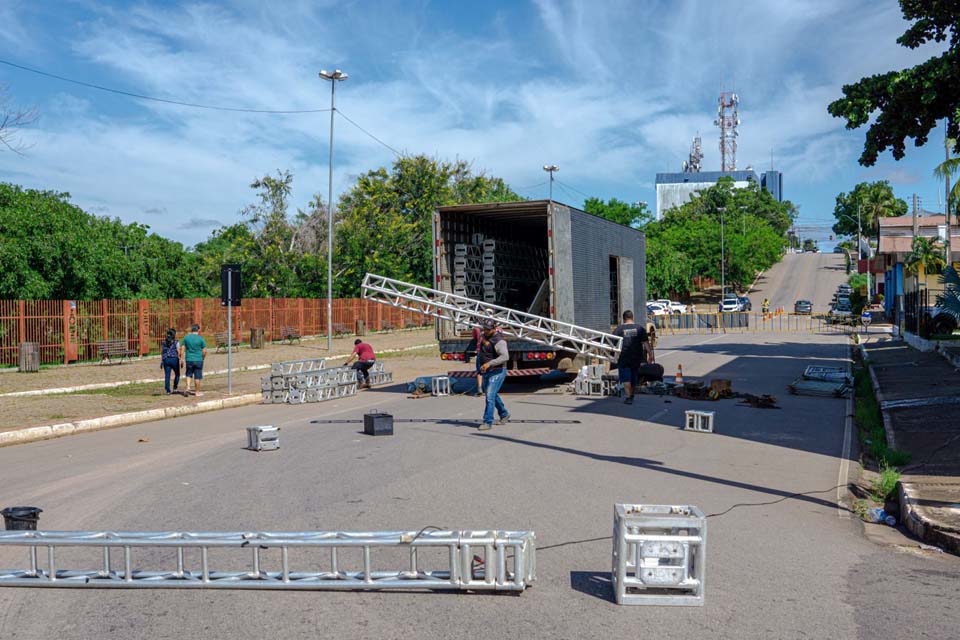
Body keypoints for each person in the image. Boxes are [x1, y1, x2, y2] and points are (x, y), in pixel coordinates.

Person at [613, 310, 651, 405]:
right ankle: (632, 395)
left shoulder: (620, 329)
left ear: (624, 318)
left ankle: (629, 397)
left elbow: (611, 341)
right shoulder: (640, 328)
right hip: (636, 357)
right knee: (633, 377)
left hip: (624, 357)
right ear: (632, 317)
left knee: (626, 379)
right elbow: (646, 343)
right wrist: (650, 355)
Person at [477, 319, 509, 430]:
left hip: (497, 371)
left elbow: (505, 357)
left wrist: (489, 363)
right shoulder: (484, 335)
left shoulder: (499, 341)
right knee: (492, 394)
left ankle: (487, 421)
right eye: (484, 328)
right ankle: (504, 413)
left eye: (488, 329)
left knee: (489, 396)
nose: (485, 331)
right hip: (487, 371)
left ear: (494, 329)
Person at [179, 324, 207, 396]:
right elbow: (204, 351)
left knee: (189, 374)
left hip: (189, 359)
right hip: (198, 359)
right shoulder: (201, 338)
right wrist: (203, 357)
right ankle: (197, 392)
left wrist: (181, 358)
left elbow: (182, 349)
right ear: (198, 330)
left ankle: (188, 388)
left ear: (191, 330)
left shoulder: (186, 338)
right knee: (197, 376)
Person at [464, 325, 484, 397]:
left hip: (480, 351)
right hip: (489, 352)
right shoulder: (495, 327)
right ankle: (490, 386)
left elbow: (474, 336)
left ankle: (479, 388)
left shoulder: (476, 328)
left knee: (479, 371)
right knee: (490, 370)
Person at [160, 328, 181, 395]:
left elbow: (162, 352)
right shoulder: (176, 342)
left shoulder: (163, 342)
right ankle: (175, 388)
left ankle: (168, 390)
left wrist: (162, 361)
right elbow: (178, 351)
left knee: (167, 375)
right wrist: (181, 358)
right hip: (174, 359)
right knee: (177, 374)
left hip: (166, 359)